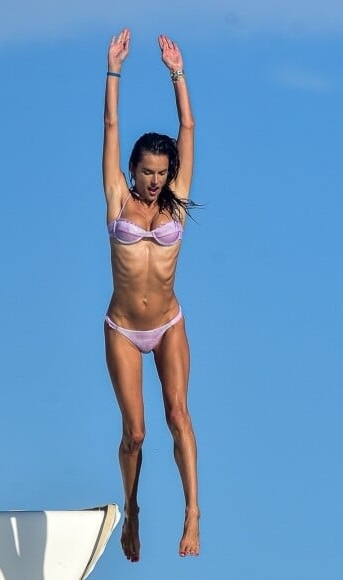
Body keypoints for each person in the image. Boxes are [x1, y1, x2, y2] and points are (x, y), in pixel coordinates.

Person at [102, 28, 200, 562]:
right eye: (148, 172)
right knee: (135, 433)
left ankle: (192, 513)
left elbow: (187, 125)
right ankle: (132, 509)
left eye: (163, 173)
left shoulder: (176, 202)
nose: (155, 181)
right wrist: (114, 71)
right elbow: (111, 124)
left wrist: (177, 73)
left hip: (168, 323)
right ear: (133, 170)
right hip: (122, 326)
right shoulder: (117, 194)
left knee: (178, 415)